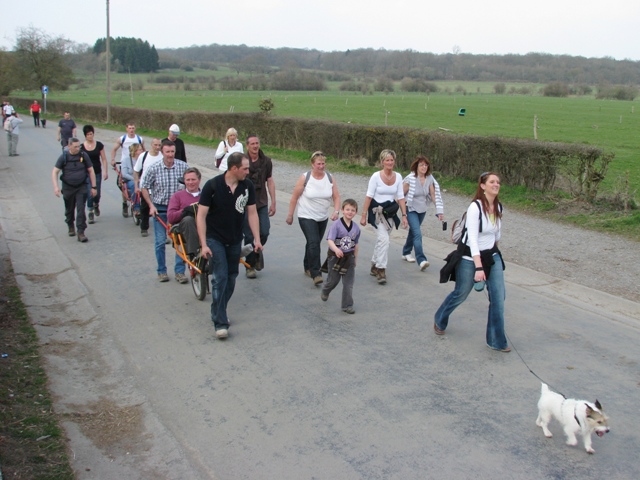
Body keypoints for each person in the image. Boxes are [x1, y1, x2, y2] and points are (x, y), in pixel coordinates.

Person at [433, 172, 510, 353]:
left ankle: (496, 340)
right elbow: (473, 240)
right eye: (492, 182)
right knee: (461, 293)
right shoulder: (475, 208)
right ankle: (440, 318)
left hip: (491, 256)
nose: (496, 184)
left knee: (499, 297)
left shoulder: (499, 207)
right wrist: (479, 267)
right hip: (469, 257)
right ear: (483, 186)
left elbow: (496, 235)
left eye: (498, 182)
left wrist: (492, 258)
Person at [197, 152, 262, 340]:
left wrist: (256, 238)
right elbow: (200, 216)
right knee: (220, 277)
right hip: (214, 238)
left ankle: (219, 309)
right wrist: (203, 244)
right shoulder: (212, 186)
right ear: (234, 168)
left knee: (232, 277)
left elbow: (252, 214)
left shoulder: (247, 186)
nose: (248, 172)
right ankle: (220, 322)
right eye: (245, 168)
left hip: (235, 238)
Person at [286, 151, 340, 286]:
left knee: (312, 243)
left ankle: (307, 266)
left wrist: (336, 211)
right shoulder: (305, 178)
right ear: (312, 164)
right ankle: (316, 273)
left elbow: (336, 197)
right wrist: (290, 215)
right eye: (318, 164)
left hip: (322, 217)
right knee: (314, 243)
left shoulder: (329, 177)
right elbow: (294, 197)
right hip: (306, 215)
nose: (321, 166)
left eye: (323, 163)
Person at [140, 140, 189, 283]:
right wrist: (151, 205)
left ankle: (180, 272)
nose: (170, 155)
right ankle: (162, 271)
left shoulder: (183, 167)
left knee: (181, 241)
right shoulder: (154, 168)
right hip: (160, 209)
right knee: (161, 241)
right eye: (167, 152)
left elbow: (191, 184)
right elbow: (144, 187)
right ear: (162, 152)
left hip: (178, 210)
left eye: (172, 152)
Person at [360, 149, 408, 285]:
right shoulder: (375, 177)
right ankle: (381, 270)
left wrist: (404, 215)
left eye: (392, 160)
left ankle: (374, 265)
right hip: (376, 213)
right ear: (382, 162)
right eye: (387, 160)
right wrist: (363, 215)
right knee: (384, 239)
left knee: (382, 241)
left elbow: (401, 197)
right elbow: (369, 196)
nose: (390, 162)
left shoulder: (398, 177)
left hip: (390, 213)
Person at [401, 155, 444, 271]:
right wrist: (403, 214)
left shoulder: (429, 179)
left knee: (414, 231)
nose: (424, 167)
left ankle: (406, 251)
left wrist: (439, 210)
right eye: (421, 165)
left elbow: (434, 195)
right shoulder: (410, 179)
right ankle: (421, 260)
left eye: (426, 165)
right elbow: (400, 195)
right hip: (411, 209)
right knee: (417, 233)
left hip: (422, 209)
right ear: (417, 166)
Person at [51, 138, 98, 243]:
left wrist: (94, 187)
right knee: (69, 209)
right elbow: (55, 172)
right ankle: (70, 224)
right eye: (75, 146)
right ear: (69, 146)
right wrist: (56, 187)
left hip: (81, 186)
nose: (78, 148)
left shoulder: (83, 155)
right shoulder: (64, 157)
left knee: (81, 209)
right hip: (68, 187)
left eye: (79, 146)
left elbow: (91, 171)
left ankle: (81, 232)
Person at [243, 134, 276, 279]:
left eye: (257, 143)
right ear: (247, 146)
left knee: (264, 232)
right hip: (245, 203)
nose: (255, 146)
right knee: (249, 235)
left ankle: (256, 250)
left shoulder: (266, 161)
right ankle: (249, 265)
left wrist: (273, 201)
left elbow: (270, 180)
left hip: (261, 202)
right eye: (252, 144)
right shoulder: (242, 161)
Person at [320, 199, 360, 314]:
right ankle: (326, 290)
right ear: (342, 210)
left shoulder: (356, 228)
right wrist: (336, 249)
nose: (350, 212)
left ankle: (347, 305)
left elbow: (356, 245)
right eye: (347, 209)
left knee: (348, 283)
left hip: (349, 258)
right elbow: (330, 240)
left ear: (355, 212)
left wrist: (355, 259)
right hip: (335, 257)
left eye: (353, 210)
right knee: (333, 280)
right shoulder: (336, 225)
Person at [167, 167, 202, 258]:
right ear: (184, 181)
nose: (190, 182)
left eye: (193, 179)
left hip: (204, 226)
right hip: (185, 229)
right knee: (188, 219)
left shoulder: (206, 195)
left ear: (199, 180)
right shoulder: (177, 196)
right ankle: (195, 253)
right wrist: (185, 210)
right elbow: (171, 217)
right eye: (188, 180)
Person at [111, 122, 144, 216]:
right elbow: (114, 149)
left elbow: (144, 150)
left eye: (133, 128)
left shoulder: (139, 139)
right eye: (130, 128)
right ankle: (125, 203)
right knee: (124, 186)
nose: (131, 130)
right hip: (126, 164)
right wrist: (113, 159)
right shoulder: (122, 139)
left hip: (137, 163)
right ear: (126, 129)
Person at [134, 138, 163, 237]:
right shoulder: (144, 156)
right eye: (155, 145)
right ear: (151, 145)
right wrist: (136, 185)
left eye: (159, 145)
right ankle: (144, 227)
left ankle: (161, 231)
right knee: (145, 207)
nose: (157, 147)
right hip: (145, 186)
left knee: (159, 208)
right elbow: (136, 171)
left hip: (158, 187)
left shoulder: (162, 156)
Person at [81, 125, 108, 224]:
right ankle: (90, 211)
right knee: (89, 192)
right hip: (86, 173)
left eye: (91, 134)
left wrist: (105, 171)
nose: (90, 136)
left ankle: (96, 204)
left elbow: (104, 159)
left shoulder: (99, 145)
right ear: (85, 135)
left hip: (97, 172)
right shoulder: (81, 147)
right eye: (88, 134)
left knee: (97, 193)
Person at [120, 143, 142, 217]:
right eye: (140, 149)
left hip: (142, 179)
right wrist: (136, 179)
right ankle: (136, 207)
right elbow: (125, 174)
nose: (142, 151)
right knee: (134, 185)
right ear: (135, 151)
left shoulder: (142, 160)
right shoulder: (126, 160)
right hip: (130, 180)